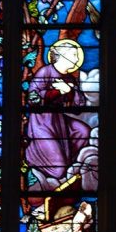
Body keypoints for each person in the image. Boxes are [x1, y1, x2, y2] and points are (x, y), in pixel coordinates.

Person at [25, 40, 95, 188]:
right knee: (58, 170)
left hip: (59, 121)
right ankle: (33, 155)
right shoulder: (45, 72)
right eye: (74, 55)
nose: (77, 59)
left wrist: (70, 92)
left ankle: (66, 160)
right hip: (42, 123)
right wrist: (57, 91)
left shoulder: (69, 78)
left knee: (83, 131)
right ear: (62, 56)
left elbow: (79, 106)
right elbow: (32, 98)